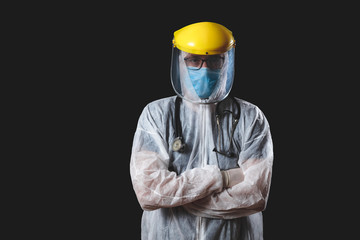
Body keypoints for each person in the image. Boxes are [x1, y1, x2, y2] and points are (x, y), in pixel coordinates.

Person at [130, 21, 274, 240]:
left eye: (215, 60)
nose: (204, 69)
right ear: (179, 60)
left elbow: (255, 195)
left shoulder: (251, 118)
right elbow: (149, 192)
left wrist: (179, 198)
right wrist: (224, 178)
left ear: (227, 62)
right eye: (194, 60)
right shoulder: (156, 115)